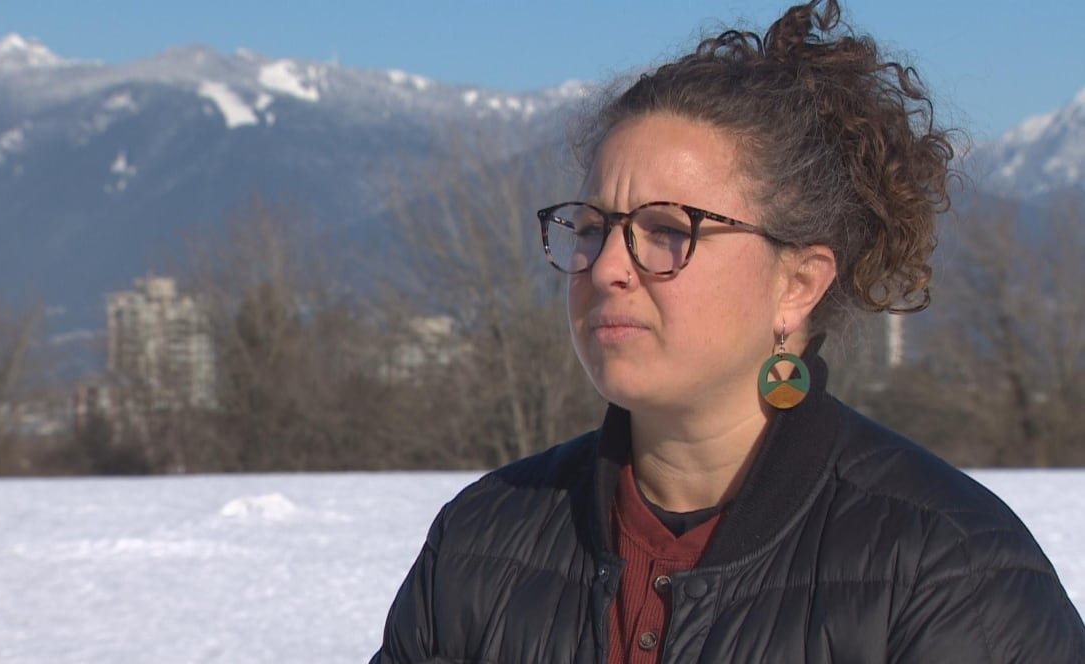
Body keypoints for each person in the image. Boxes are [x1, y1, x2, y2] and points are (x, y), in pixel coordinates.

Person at [372, 1, 1085, 661]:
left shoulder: (950, 570)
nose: (608, 267)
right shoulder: (480, 543)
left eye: (665, 230)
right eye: (592, 228)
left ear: (798, 284)